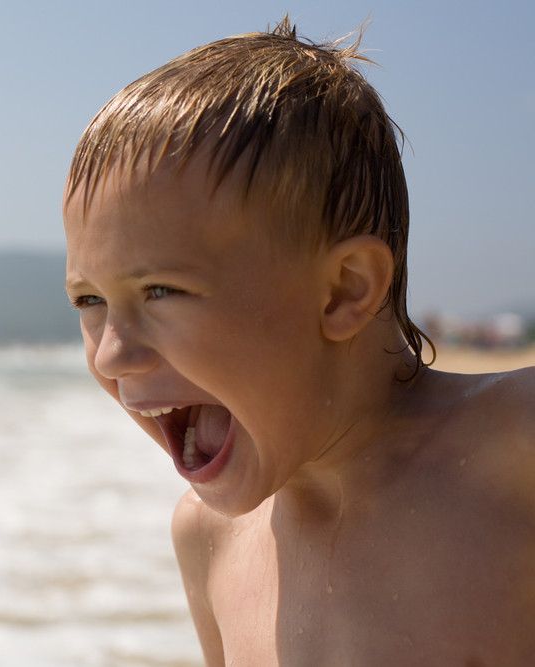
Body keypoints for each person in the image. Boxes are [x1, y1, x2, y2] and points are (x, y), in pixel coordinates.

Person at [62, 17, 534, 665]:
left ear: (343, 290)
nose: (112, 354)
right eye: (89, 300)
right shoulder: (210, 540)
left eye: (161, 291)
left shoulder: (513, 449)